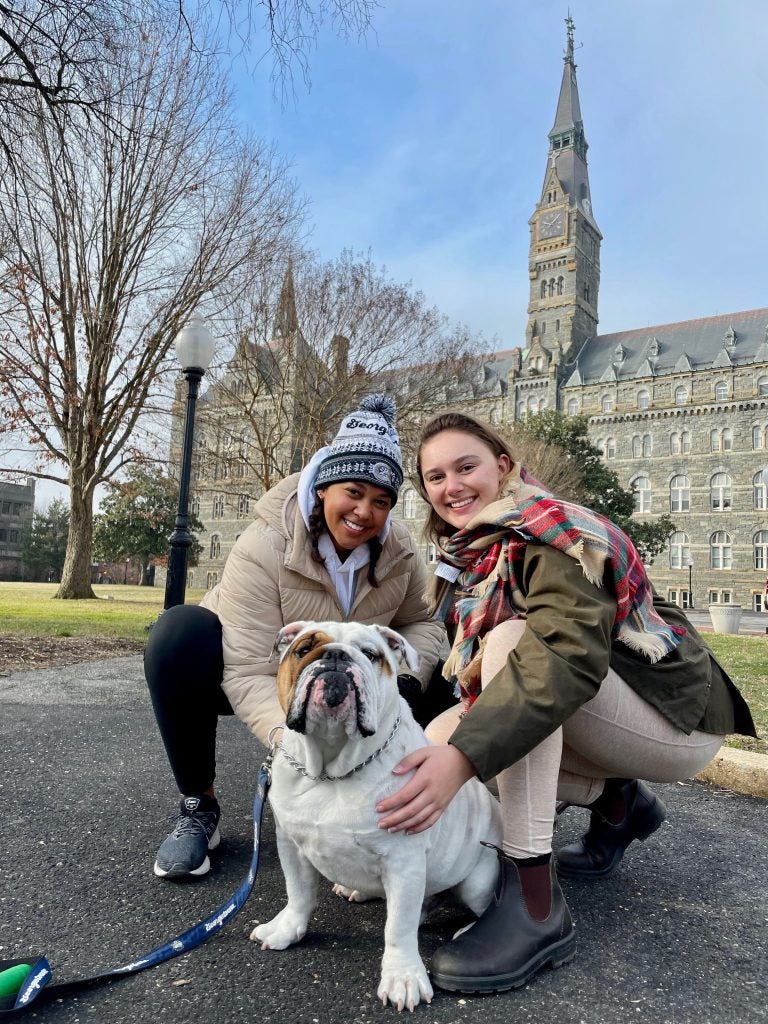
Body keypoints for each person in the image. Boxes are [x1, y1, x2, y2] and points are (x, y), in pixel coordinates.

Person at [376, 411, 756, 994]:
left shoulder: (550, 529)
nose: (450, 486)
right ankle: (619, 805)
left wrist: (465, 760)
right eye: (434, 477)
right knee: (441, 739)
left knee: (508, 654)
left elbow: (561, 656)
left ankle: (533, 901)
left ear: (502, 466)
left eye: (466, 466)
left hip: (675, 719)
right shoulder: (471, 553)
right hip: (605, 704)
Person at [145, 394, 447, 880]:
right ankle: (198, 806)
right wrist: (292, 743)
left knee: (443, 669)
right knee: (177, 635)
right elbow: (245, 670)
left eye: (381, 501)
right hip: (253, 673)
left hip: (353, 683)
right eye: (353, 491)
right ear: (324, 486)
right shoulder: (263, 545)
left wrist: (407, 681)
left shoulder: (400, 551)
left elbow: (423, 624)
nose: (364, 512)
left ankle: (414, 808)